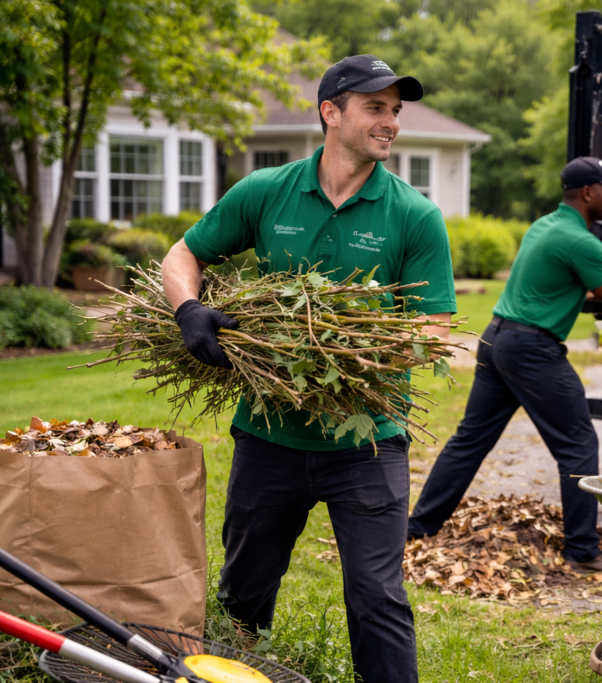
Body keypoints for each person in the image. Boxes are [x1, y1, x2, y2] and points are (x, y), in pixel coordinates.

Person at [161, 55, 456, 683]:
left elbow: (432, 331)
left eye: (395, 111)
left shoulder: (415, 215)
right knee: (243, 594)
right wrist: (189, 308)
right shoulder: (267, 192)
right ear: (331, 112)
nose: (391, 123)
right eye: (376, 107)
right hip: (269, 436)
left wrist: (353, 360)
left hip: (369, 441)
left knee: (378, 598)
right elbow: (184, 252)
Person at [407, 156, 602, 572]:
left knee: (470, 440)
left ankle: (416, 528)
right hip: (531, 350)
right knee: (578, 444)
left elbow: (579, 289)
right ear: (587, 193)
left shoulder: (546, 226)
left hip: (497, 339)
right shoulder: (581, 241)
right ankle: (582, 552)